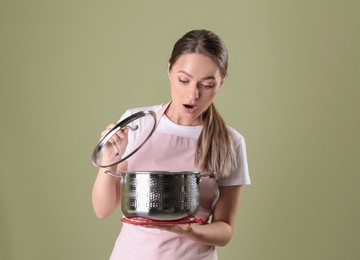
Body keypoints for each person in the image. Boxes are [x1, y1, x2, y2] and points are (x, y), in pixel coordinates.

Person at [92, 29, 251, 260]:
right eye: (183, 80)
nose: (193, 94)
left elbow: (225, 228)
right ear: (169, 71)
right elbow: (102, 209)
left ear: (220, 83)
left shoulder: (230, 142)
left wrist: (188, 230)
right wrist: (108, 159)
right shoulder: (137, 123)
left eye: (207, 84)